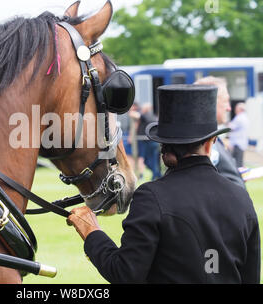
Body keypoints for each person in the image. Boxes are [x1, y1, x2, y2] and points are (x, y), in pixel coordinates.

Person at [67, 84, 260, 284]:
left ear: (163, 145)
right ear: (211, 142)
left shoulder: (151, 196)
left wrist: (91, 232)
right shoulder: (241, 198)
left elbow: (125, 273)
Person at [194, 76, 245, 188]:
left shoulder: (208, 137)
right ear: (211, 102)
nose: (229, 108)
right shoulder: (201, 142)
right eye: (226, 101)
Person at [136, 103, 161, 180]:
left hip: (148, 142)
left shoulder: (146, 115)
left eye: (143, 108)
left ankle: (156, 175)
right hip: (154, 142)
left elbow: (135, 115)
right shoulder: (155, 116)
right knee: (154, 160)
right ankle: (157, 175)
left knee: (147, 160)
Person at [229, 102, 249, 168]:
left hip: (237, 144)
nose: (235, 110)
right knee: (239, 163)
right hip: (242, 143)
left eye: (236, 108)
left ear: (240, 109)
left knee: (236, 164)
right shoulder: (245, 117)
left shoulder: (239, 118)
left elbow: (230, 128)